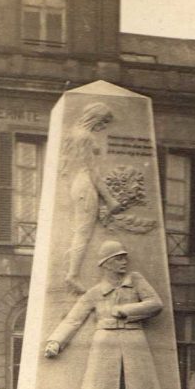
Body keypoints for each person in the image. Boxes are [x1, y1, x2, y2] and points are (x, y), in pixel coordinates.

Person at [45, 240, 181, 389]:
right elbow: (73, 319)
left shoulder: (135, 281)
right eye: (118, 258)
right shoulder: (95, 292)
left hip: (134, 337)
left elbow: (155, 304)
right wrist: (56, 342)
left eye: (124, 257)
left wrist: (125, 310)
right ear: (106, 264)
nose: (124, 262)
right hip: (105, 340)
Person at [61, 103, 123, 293]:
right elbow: (93, 172)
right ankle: (72, 275)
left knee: (81, 231)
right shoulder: (85, 137)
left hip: (77, 184)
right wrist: (110, 199)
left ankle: (71, 270)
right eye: (104, 121)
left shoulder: (73, 132)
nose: (104, 127)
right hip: (86, 185)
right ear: (95, 117)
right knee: (83, 233)